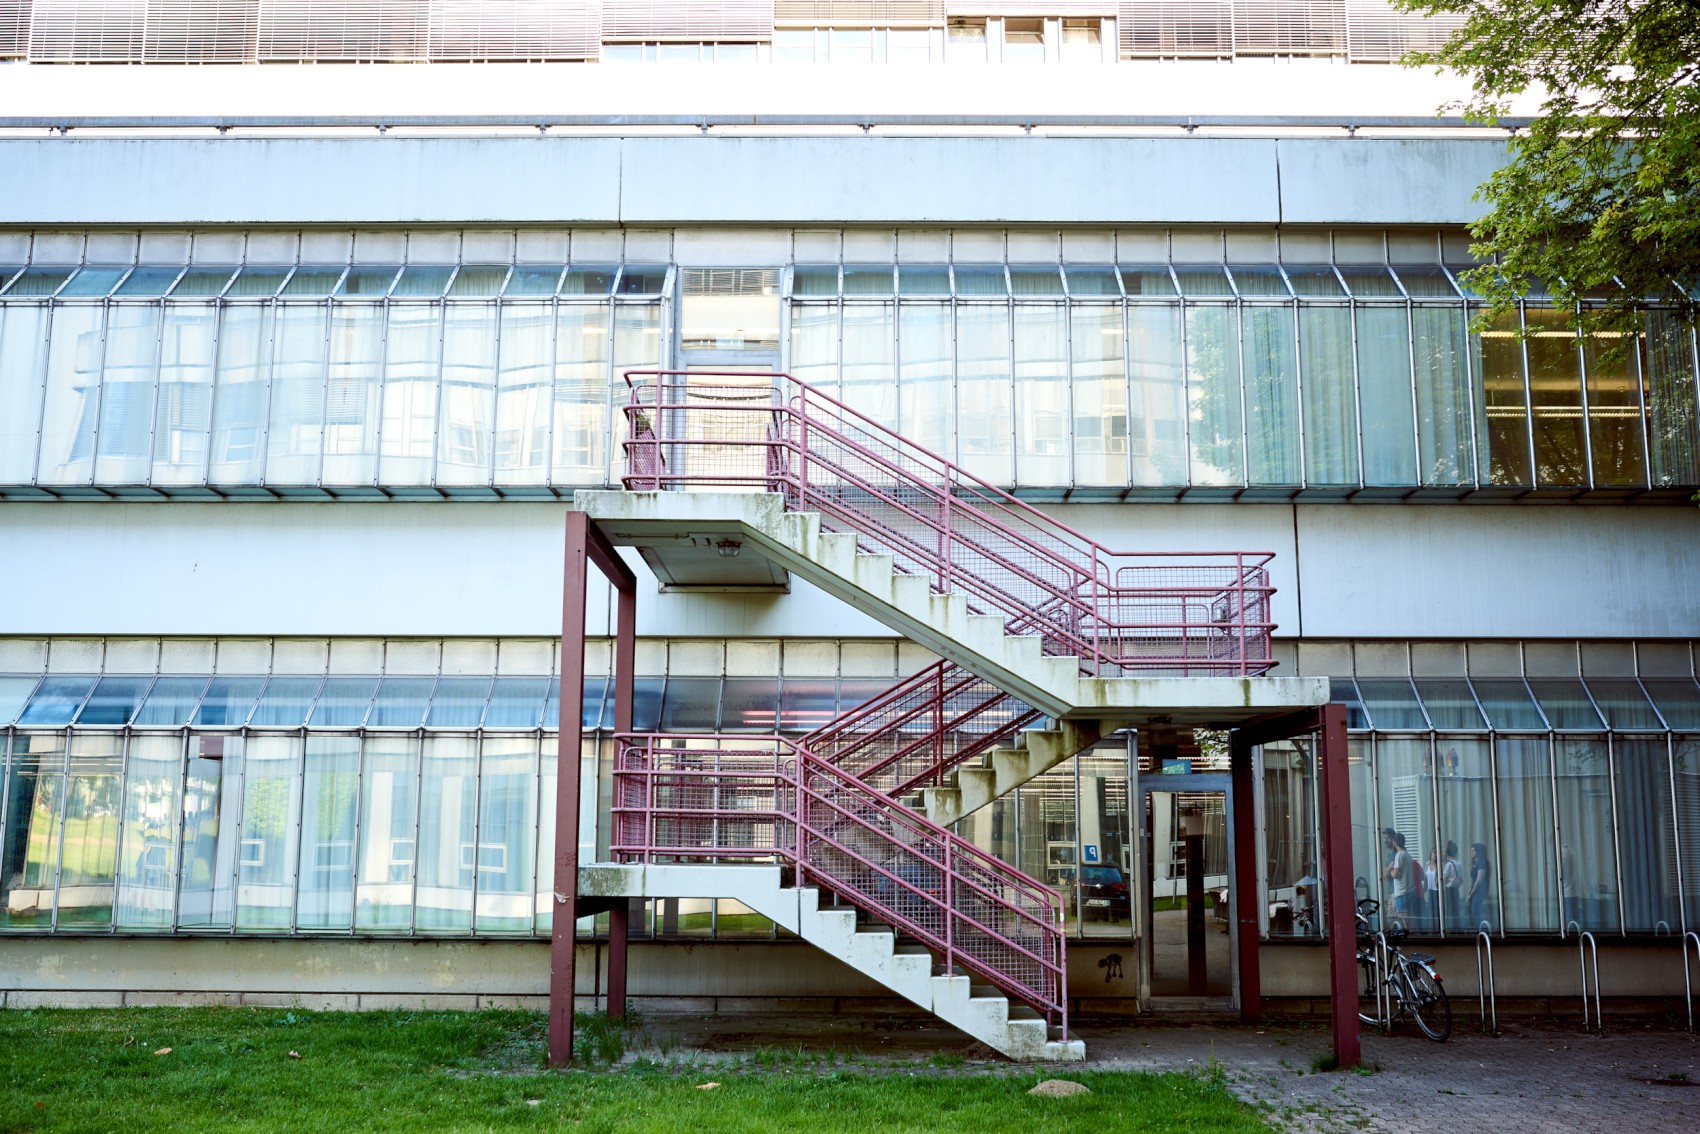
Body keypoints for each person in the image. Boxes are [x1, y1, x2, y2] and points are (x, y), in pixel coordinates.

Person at [1383, 828, 1415, 924]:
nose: (1385, 840)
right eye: (1384, 838)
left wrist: (1388, 870)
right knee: (1394, 919)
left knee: (1397, 919)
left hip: (1397, 892)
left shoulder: (1398, 855)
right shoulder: (1397, 854)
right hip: (1396, 892)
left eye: (1388, 838)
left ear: (1394, 840)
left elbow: (1391, 874)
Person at [1466, 842, 1492, 930]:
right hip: (1475, 892)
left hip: (1480, 892)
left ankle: (1481, 932)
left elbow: (1478, 880)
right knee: (1472, 912)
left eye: (1473, 851)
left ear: (1478, 852)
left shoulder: (1483, 863)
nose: (1471, 853)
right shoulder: (1475, 864)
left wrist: (1471, 894)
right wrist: (1469, 893)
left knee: (1476, 912)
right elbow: (1473, 881)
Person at [1442, 840, 1462, 928]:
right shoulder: (1460, 863)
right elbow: (1461, 878)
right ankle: (1457, 928)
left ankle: (1452, 928)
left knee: (1450, 911)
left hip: (1449, 889)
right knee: (1456, 910)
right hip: (1456, 889)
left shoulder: (1448, 865)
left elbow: (1444, 879)